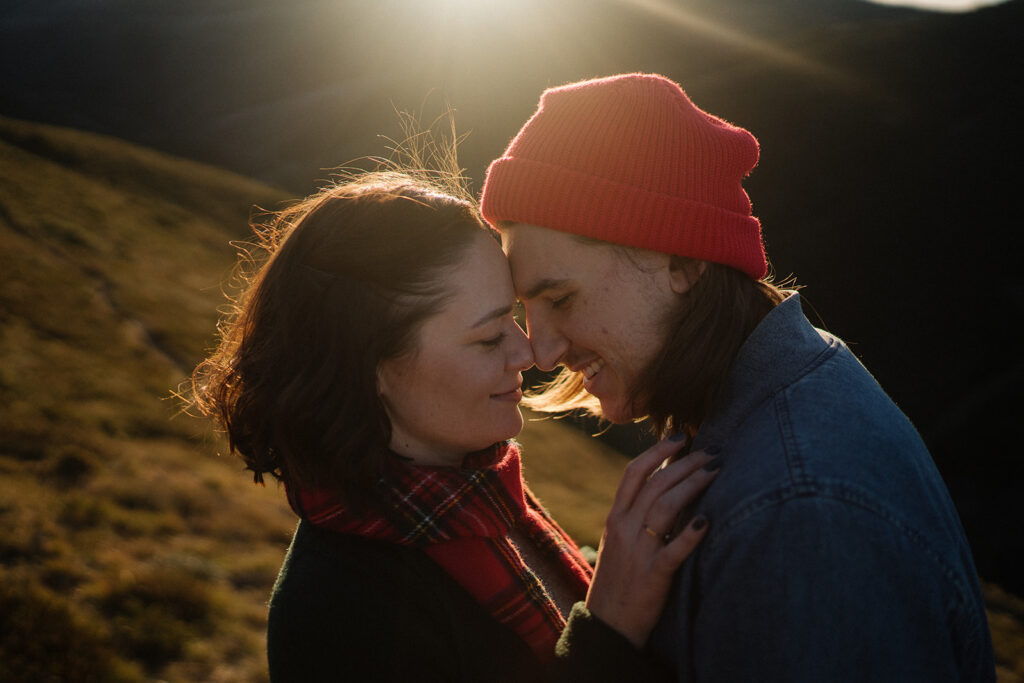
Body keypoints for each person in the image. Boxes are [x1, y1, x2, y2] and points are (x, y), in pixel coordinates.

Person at [479, 72, 996, 682]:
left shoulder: (800, 517)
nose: (541, 352)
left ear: (683, 260)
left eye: (560, 298)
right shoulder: (780, 394)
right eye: (523, 310)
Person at [188, 169, 721, 682]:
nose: (528, 351)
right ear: (372, 369)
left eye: (512, 318)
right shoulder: (338, 615)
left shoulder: (477, 502)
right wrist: (608, 629)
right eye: (490, 338)